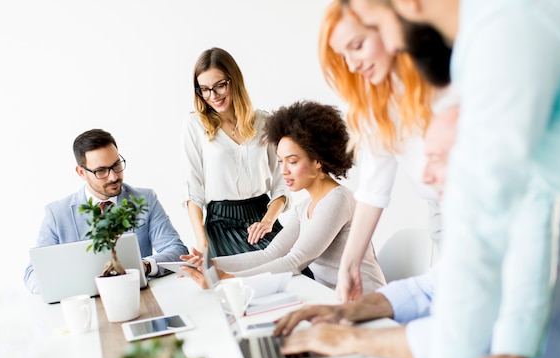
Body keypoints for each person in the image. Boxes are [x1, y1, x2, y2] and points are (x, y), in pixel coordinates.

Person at [342, 0, 560, 358]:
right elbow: (529, 202)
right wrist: (513, 351)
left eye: (375, 26)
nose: (388, 44)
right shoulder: (480, 43)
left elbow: (486, 208)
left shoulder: (507, 26)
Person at [274, 103, 560, 358]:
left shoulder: (538, 220)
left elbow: (468, 334)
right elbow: (428, 289)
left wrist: (350, 341)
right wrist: (345, 313)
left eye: (437, 159)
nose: (425, 176)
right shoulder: (483, 218)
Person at [180, 101, 385, 294]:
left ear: (318, 160)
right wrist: (211, 264)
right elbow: (270, 254)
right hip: (331, 298)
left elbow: (294, 262)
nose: (284, 171)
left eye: (293, 161)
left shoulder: (338, 200)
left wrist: (227, 279)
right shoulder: (304, 208)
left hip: (365, 301)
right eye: (280, 161)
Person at [318, 1, 445, 302]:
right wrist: (348, 267)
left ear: (388, 25)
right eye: (343, 55)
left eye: (358, 46)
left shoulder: (444, 80)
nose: (352, 65)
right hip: (444, 222)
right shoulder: (380, 106)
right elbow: (372, 190)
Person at [23, 129, 189, 293]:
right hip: (86, 308)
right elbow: (32, 275)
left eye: (116, 165)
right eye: (101, 171)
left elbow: (177, 251)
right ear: (81, 172)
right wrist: (81, 282)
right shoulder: (57, 214)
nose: (113, 177)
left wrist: (142, 266)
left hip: (137, 298)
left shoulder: (145, 199)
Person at [181, 47, 289, 257]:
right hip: (222, 223)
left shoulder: (265, 122)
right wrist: (202, 242)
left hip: (263, 217)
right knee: (249, 276)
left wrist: (268, 220)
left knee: (300, 272)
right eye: (204, 89)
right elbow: (193, 191)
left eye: (219, 86)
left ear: (234, 80)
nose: (213, 96)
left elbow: (281, 184)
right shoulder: (194, 124)